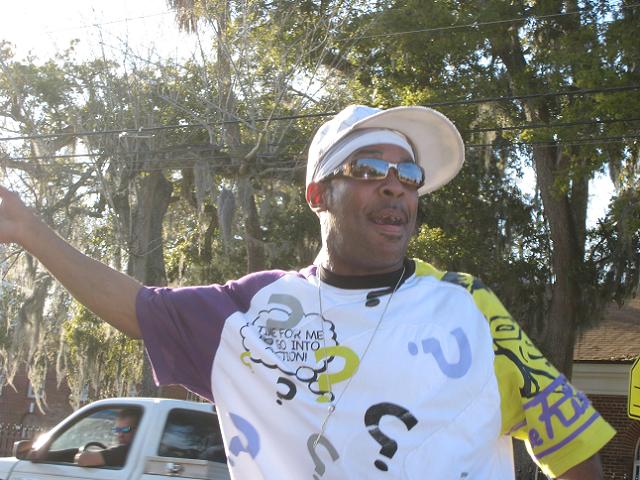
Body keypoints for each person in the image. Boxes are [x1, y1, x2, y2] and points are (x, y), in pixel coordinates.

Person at [0, 105, 614, 479]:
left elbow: (570, 445)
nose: (395, 187)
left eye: (408, 175)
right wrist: (28, 228)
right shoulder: (250, 312)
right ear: (319, 194)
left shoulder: (468, 306)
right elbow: (138, 308)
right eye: (368, 170)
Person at [74, 408, 139, 467]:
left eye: (125, 429)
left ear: (137, 430)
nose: (120, 435)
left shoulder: (126, 451)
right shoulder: (138, 450)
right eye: (118, 430)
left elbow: (83, 459)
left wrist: (80, 452)